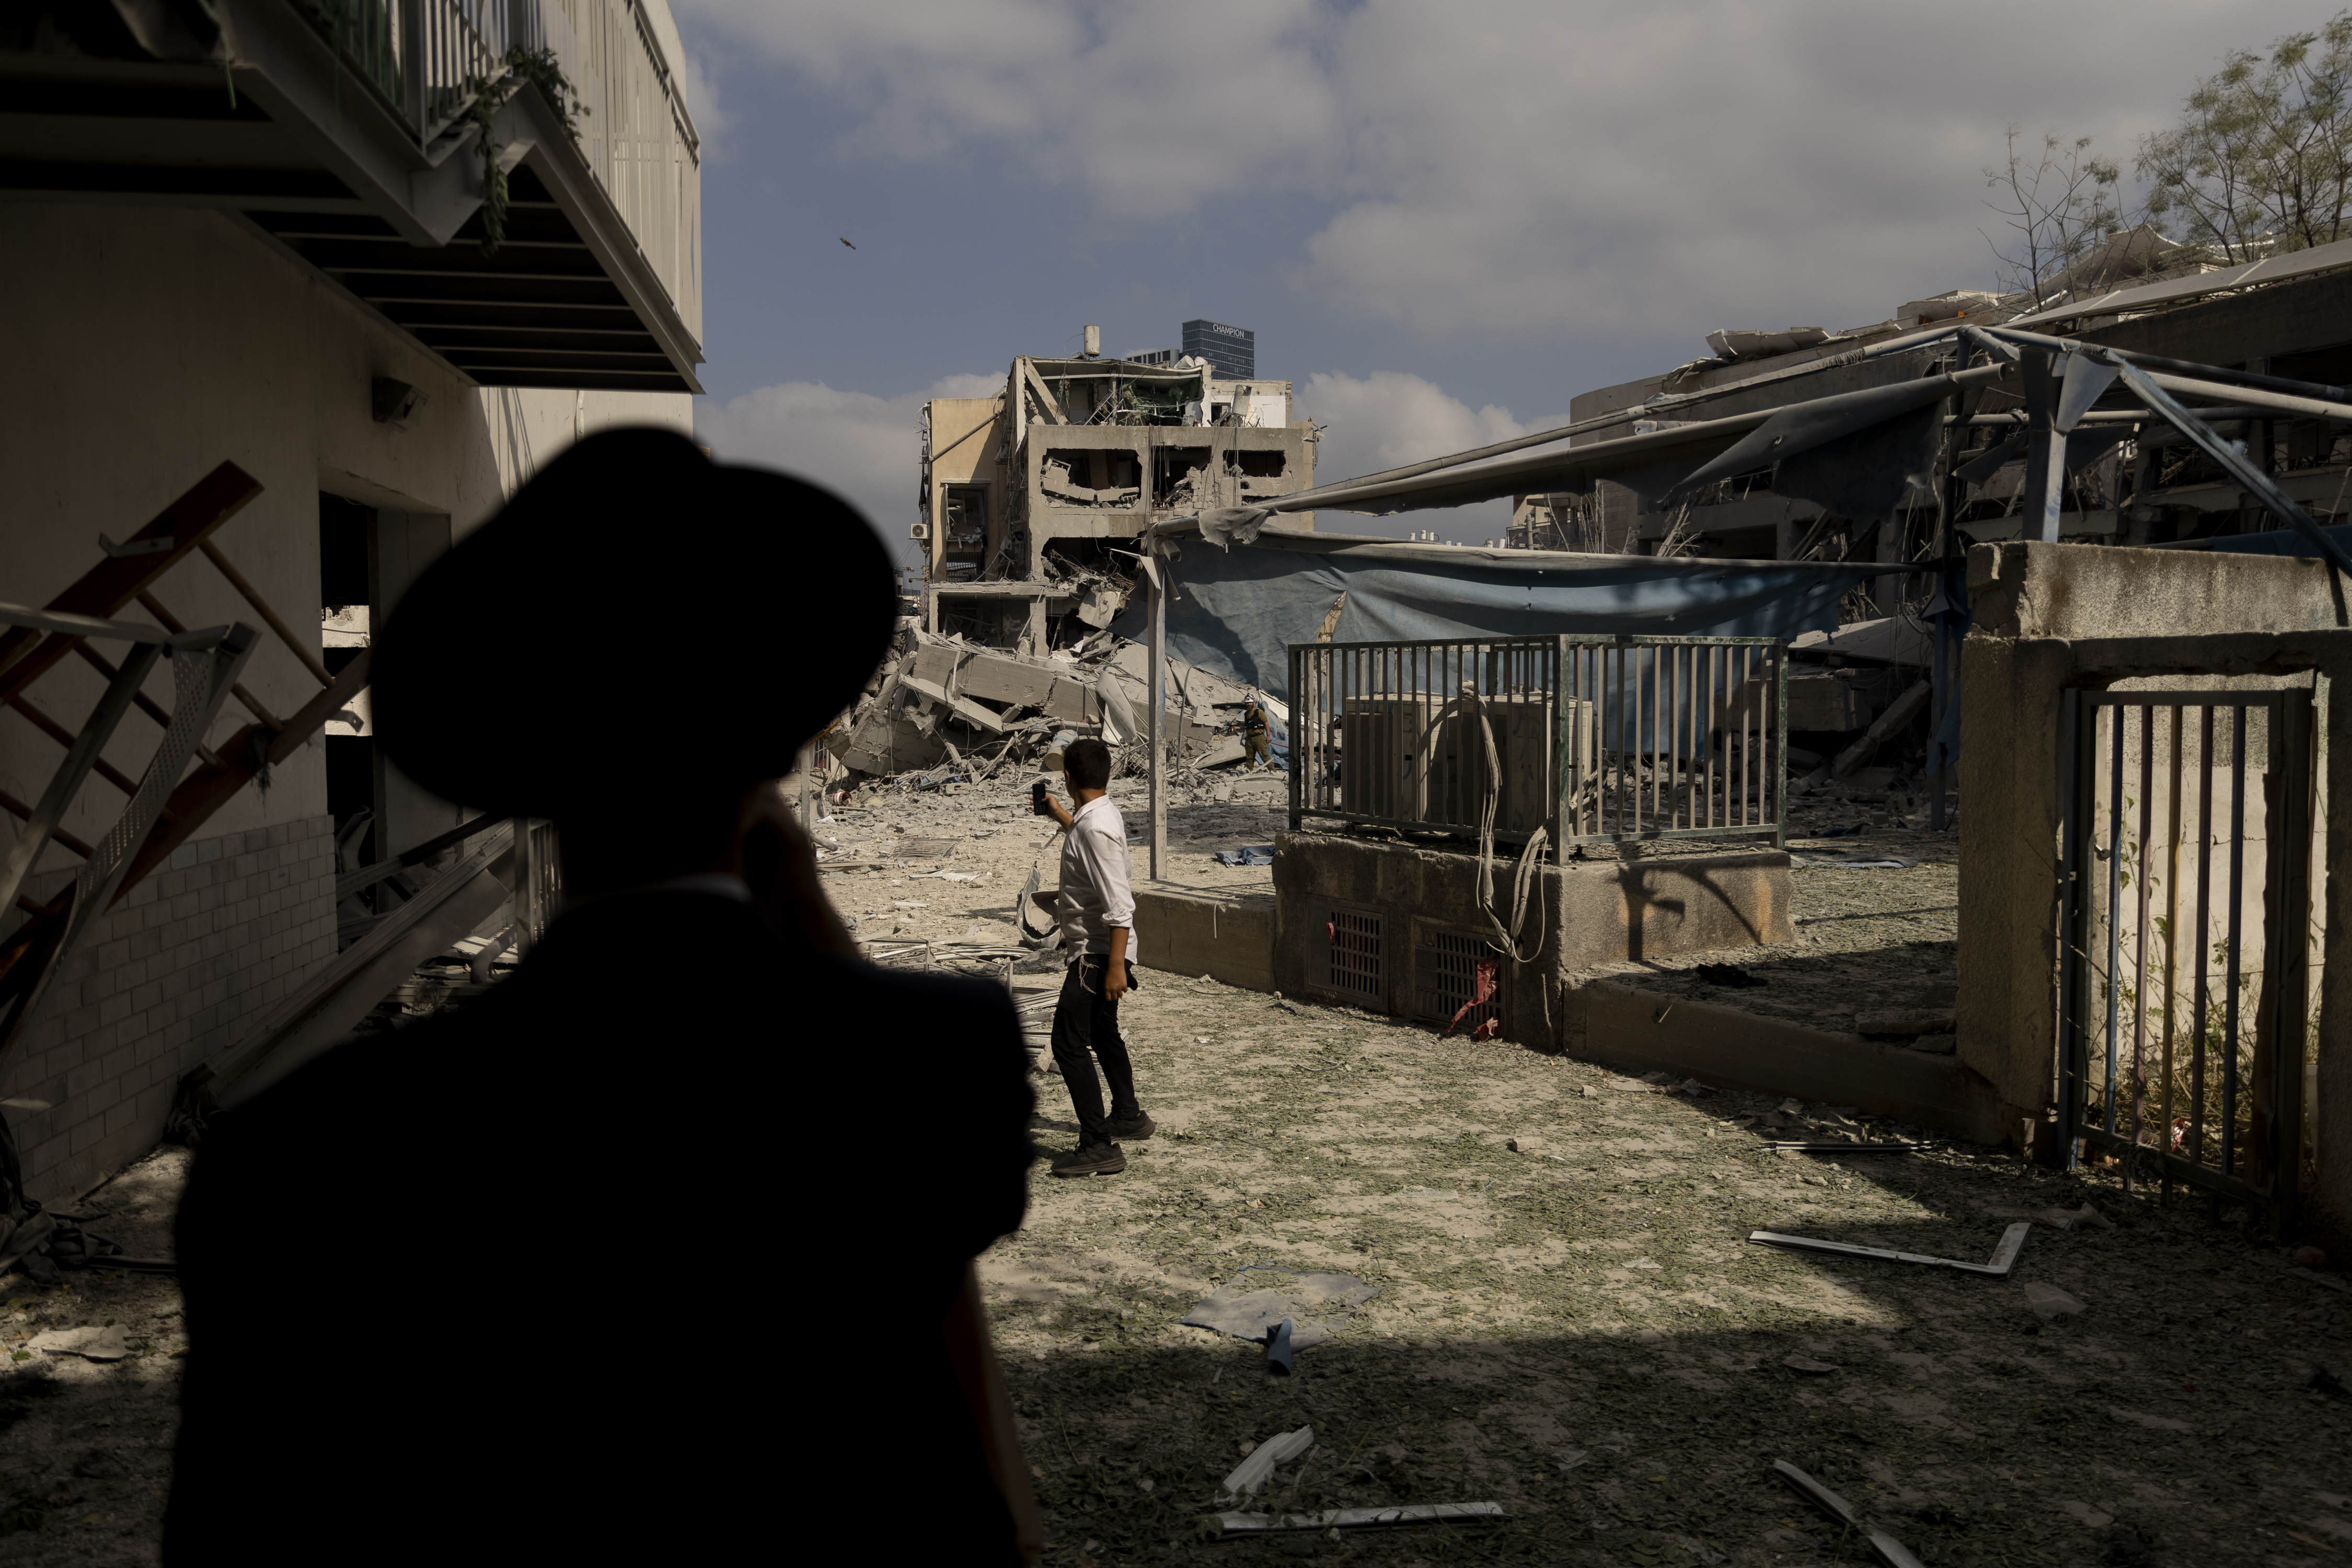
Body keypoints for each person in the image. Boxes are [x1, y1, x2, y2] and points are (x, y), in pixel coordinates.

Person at [164, 430, 1038, 1565]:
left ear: (519, 765)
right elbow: (985, 1496)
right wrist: (826, 954)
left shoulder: (287, 1159)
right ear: (780, 742)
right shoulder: (926, 1071)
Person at [1035, 738, 1150, 1176]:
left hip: (1098, 954)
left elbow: (1120, 906)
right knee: (1102, 1032)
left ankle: (1098, 1144)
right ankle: (1127, 1115)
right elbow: (1090, 847)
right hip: (1104, 951)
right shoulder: (1098, 816)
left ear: (1067, 778)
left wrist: (1116, 967)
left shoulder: (1094, 828)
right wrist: (1062, 818)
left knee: (1068, 1043)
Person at [1242, 698, 1273, 770]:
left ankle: (1273, 771)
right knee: (1249, 756)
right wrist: (1236, 728)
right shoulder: (1246, 714)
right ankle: (1250, 771)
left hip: (1259, 737)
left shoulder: (1259, 712)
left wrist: (1268, 736)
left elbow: (1266, 723)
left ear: (1253, 703)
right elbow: (1246, 725)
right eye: (1247, 703)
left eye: (1250, 703)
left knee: (1264, 755)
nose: (1249, 704)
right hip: (1249, 737)